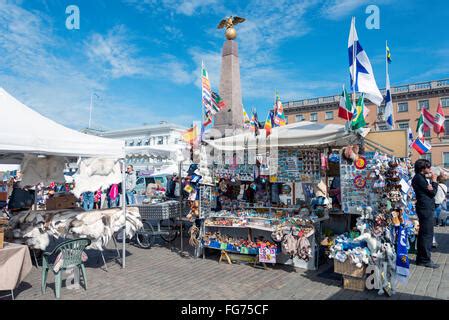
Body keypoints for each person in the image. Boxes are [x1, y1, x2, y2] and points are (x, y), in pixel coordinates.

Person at [411, 159, 439, 269]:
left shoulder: (420, 178)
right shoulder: (419, 178)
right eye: (428, 167)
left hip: (425, 208)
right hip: (425, 209)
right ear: (423, 169)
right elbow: (432, 192)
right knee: (427, 234)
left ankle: (421, 258)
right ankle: (425, 259)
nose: (430, 169)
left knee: (424, 233)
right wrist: (434, 180)